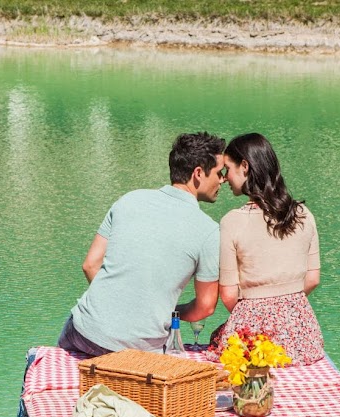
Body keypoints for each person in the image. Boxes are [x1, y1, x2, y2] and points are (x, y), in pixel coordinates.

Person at [58, 132, 227, 357]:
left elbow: (90, 265)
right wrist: (172, 311)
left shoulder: (129, 200)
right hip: (139, 349)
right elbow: (205, 307)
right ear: (198, 173)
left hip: (84, 331)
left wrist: (119, 306)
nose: (223, 179)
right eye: (219, 173)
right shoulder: (208, 231)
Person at [205, 133, 324, 366]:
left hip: (253, 333)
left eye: (227, 169)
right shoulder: (303, 214)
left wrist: (257, 309)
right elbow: (313, 279)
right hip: (302, 332)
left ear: (245, 167)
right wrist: (285, 306)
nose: (225, 178)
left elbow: (228, 295)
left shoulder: (232, 222)